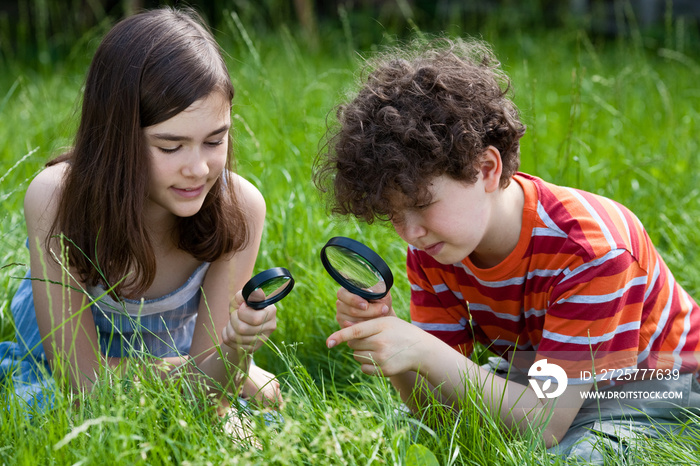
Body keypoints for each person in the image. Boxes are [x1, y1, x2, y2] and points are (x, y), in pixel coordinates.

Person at [314, 37, 700, 463]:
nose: (410, 233)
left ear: (486, 168)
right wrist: (398, 351)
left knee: (573, 456)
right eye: (393, 216)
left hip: (660, 386)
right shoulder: (437, 246)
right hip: (552, 377)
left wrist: (424, 350)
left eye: (422, 206)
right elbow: (438, 414)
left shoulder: (591, 251)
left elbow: (548, 423)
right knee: (416, 438)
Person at [0, 7, 281, 419]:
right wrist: (188, 370)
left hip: (174, 361)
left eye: (214, 140)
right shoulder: (57, 199)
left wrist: (236, 351)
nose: (198, 169)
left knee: (256, 414)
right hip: (58, 366)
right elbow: (83, 387)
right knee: (44, 413)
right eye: (170, 146)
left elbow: (209, 394)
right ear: (114, 136)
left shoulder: (239, 209)